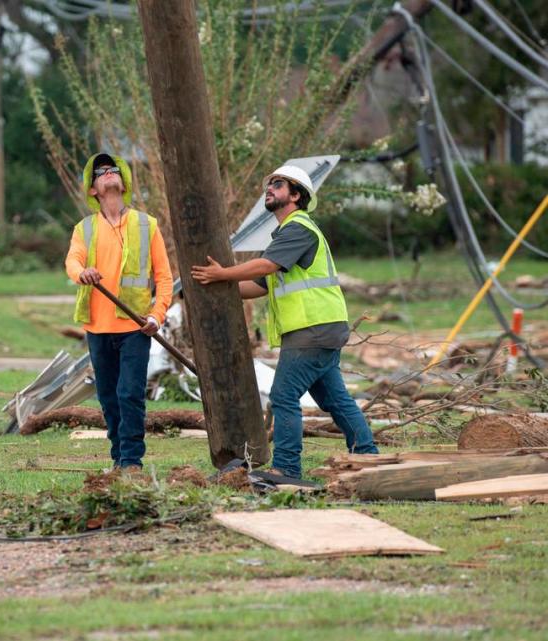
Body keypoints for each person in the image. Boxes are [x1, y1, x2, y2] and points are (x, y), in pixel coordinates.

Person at [190, 165, 377, 478]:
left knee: (283, 396)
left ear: (296, 195)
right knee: (336, 399)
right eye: (269, 185)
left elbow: (265, 266)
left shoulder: (298, 227)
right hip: (320, 328)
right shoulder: (286, 235)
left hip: (312, 330)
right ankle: (368, 456)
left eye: (277, 184)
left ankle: (287, 468)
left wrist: (223, 273)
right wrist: (217, 289)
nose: (269, 189)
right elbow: (259, 285)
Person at [65, 152, 173, 471]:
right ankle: (117, 456)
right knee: (109, 398)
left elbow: (164, 276)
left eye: (114, 170)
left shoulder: (146, 224)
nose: (108, 173)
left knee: (130, 394)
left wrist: (157, 315)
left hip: (135, 326)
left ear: (123, 182)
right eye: (101, 172)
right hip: (98, 329)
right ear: (93, 189)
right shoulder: (84, 228)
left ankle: (131, 461)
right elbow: (73, 260)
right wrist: (80, 273)